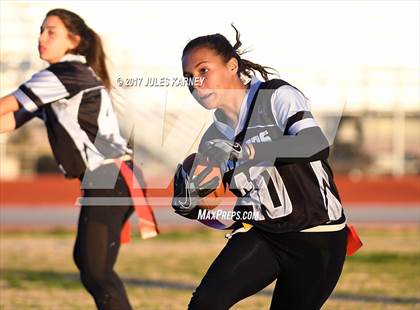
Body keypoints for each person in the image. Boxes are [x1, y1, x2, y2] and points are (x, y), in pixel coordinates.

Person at [173, 25, 348, 310]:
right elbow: (224, 215)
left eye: (204, 70)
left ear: (232, 66)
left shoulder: (276, 95)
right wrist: (194, 205)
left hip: (318, 237)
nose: (196, 83)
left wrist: (253, 150)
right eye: (189, 77)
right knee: (205, 304)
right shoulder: (213, 138)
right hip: (264, 234)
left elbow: (315, 144)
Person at [0, 9, 158, 310]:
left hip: (110, 177)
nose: (42, 37)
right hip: (111, 177)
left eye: (52, 32)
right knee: (89, 264)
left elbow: (5, 105)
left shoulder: (61, 75)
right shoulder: (67, 75)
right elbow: (13, 118)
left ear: (74, 40)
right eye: (42, 31)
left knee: (96, 271)